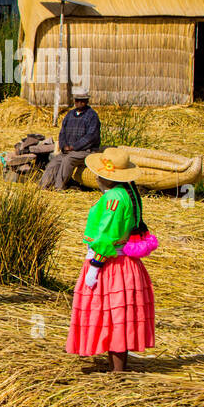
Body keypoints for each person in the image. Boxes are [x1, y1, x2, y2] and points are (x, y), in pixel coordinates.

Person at [66, 147, 156, 373]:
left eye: (99, 173)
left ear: (107, 176)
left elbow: (107, 235)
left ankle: (118, 373)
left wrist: (95, 265)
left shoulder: (114, 199)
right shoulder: (127, 193)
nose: (95, 176)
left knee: (114, 314)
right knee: (117, 314)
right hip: (124, 264)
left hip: (111, 264)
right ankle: (115, 367)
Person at [39, 84, 101, 190]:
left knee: (68, 160)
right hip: (69, 150)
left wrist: (74, 147)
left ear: (86, 101)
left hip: (86, 151)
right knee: (54, 162)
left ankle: (59, 187)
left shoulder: (92, 116)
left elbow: (91, 137)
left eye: (82, 100)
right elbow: (62, 132)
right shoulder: (70, 114)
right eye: (77, 100)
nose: (79, 103)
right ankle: (43, 187)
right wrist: (64, 146)